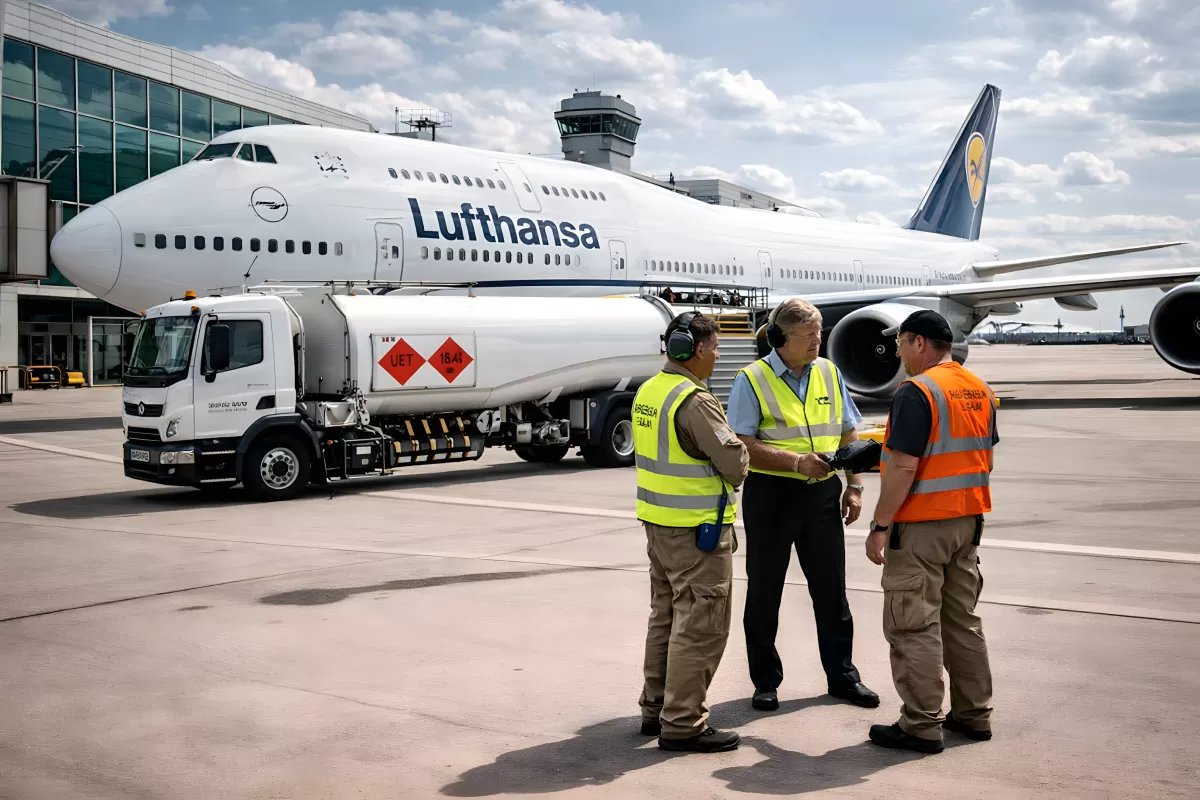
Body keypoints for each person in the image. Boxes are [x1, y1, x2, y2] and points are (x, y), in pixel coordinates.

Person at [726, 298, 879, 712]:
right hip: (772, 496)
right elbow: (743, 444)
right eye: (809, 335)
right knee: (764, 593)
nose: (818, 340)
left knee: (832, 592)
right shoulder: (751, 379)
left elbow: (849, 432)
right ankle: (765, 682)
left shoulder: (828, 371)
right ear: (780, 338)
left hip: (822, 496)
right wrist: (795, 462)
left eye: (820, 333)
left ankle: (843, 677)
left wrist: (855, 485)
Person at [865, 309, 998, 755]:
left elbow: (903, 465)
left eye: (901, 342)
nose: (898, 351)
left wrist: (881, 524)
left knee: (913, 625)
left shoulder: (916, 391)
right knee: (962, 620)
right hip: (968, 521)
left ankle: (920, 724)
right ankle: (973, 714)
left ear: (920, 343)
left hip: (922, 525)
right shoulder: (978, 388)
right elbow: (984, 459)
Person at [634, 311, 749, 753]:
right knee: (700, 625)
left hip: (659, 525)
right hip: (697, 531)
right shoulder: (694, 400)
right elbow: (734, 464)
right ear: (697, 350)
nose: (718, 356)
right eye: (716, 348)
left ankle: (656, 708)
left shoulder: (651, 389)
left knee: (665, 616)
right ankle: (682, 722)